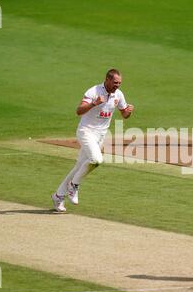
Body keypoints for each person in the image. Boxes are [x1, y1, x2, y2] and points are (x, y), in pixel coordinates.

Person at [52, 69, 134, 212]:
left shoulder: (118, 94)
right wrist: (94, 103)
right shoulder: (93, 92)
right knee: (96, 160)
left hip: (101, 135)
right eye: (115, 82)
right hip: (86, 132)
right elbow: (79, 111)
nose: (117, 85)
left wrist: (129, 111)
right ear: (107, 79)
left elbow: (124, 114)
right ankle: (74, 186)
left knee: (79, 167)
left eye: (119, 83)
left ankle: (58, 196)